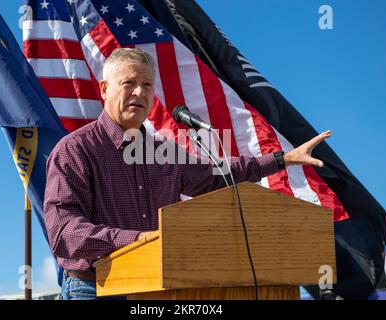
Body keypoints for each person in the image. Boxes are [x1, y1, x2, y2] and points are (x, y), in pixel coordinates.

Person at [44, 48, 332, 300]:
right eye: (128, 83)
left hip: (158, 288)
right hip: (95, 288)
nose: (139, 93)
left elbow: (219, 175)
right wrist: (135, 241)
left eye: (146, 85)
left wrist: (284, 159)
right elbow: (64, 233)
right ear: (105, 89)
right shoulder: (74, 150)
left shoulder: (163, 151)